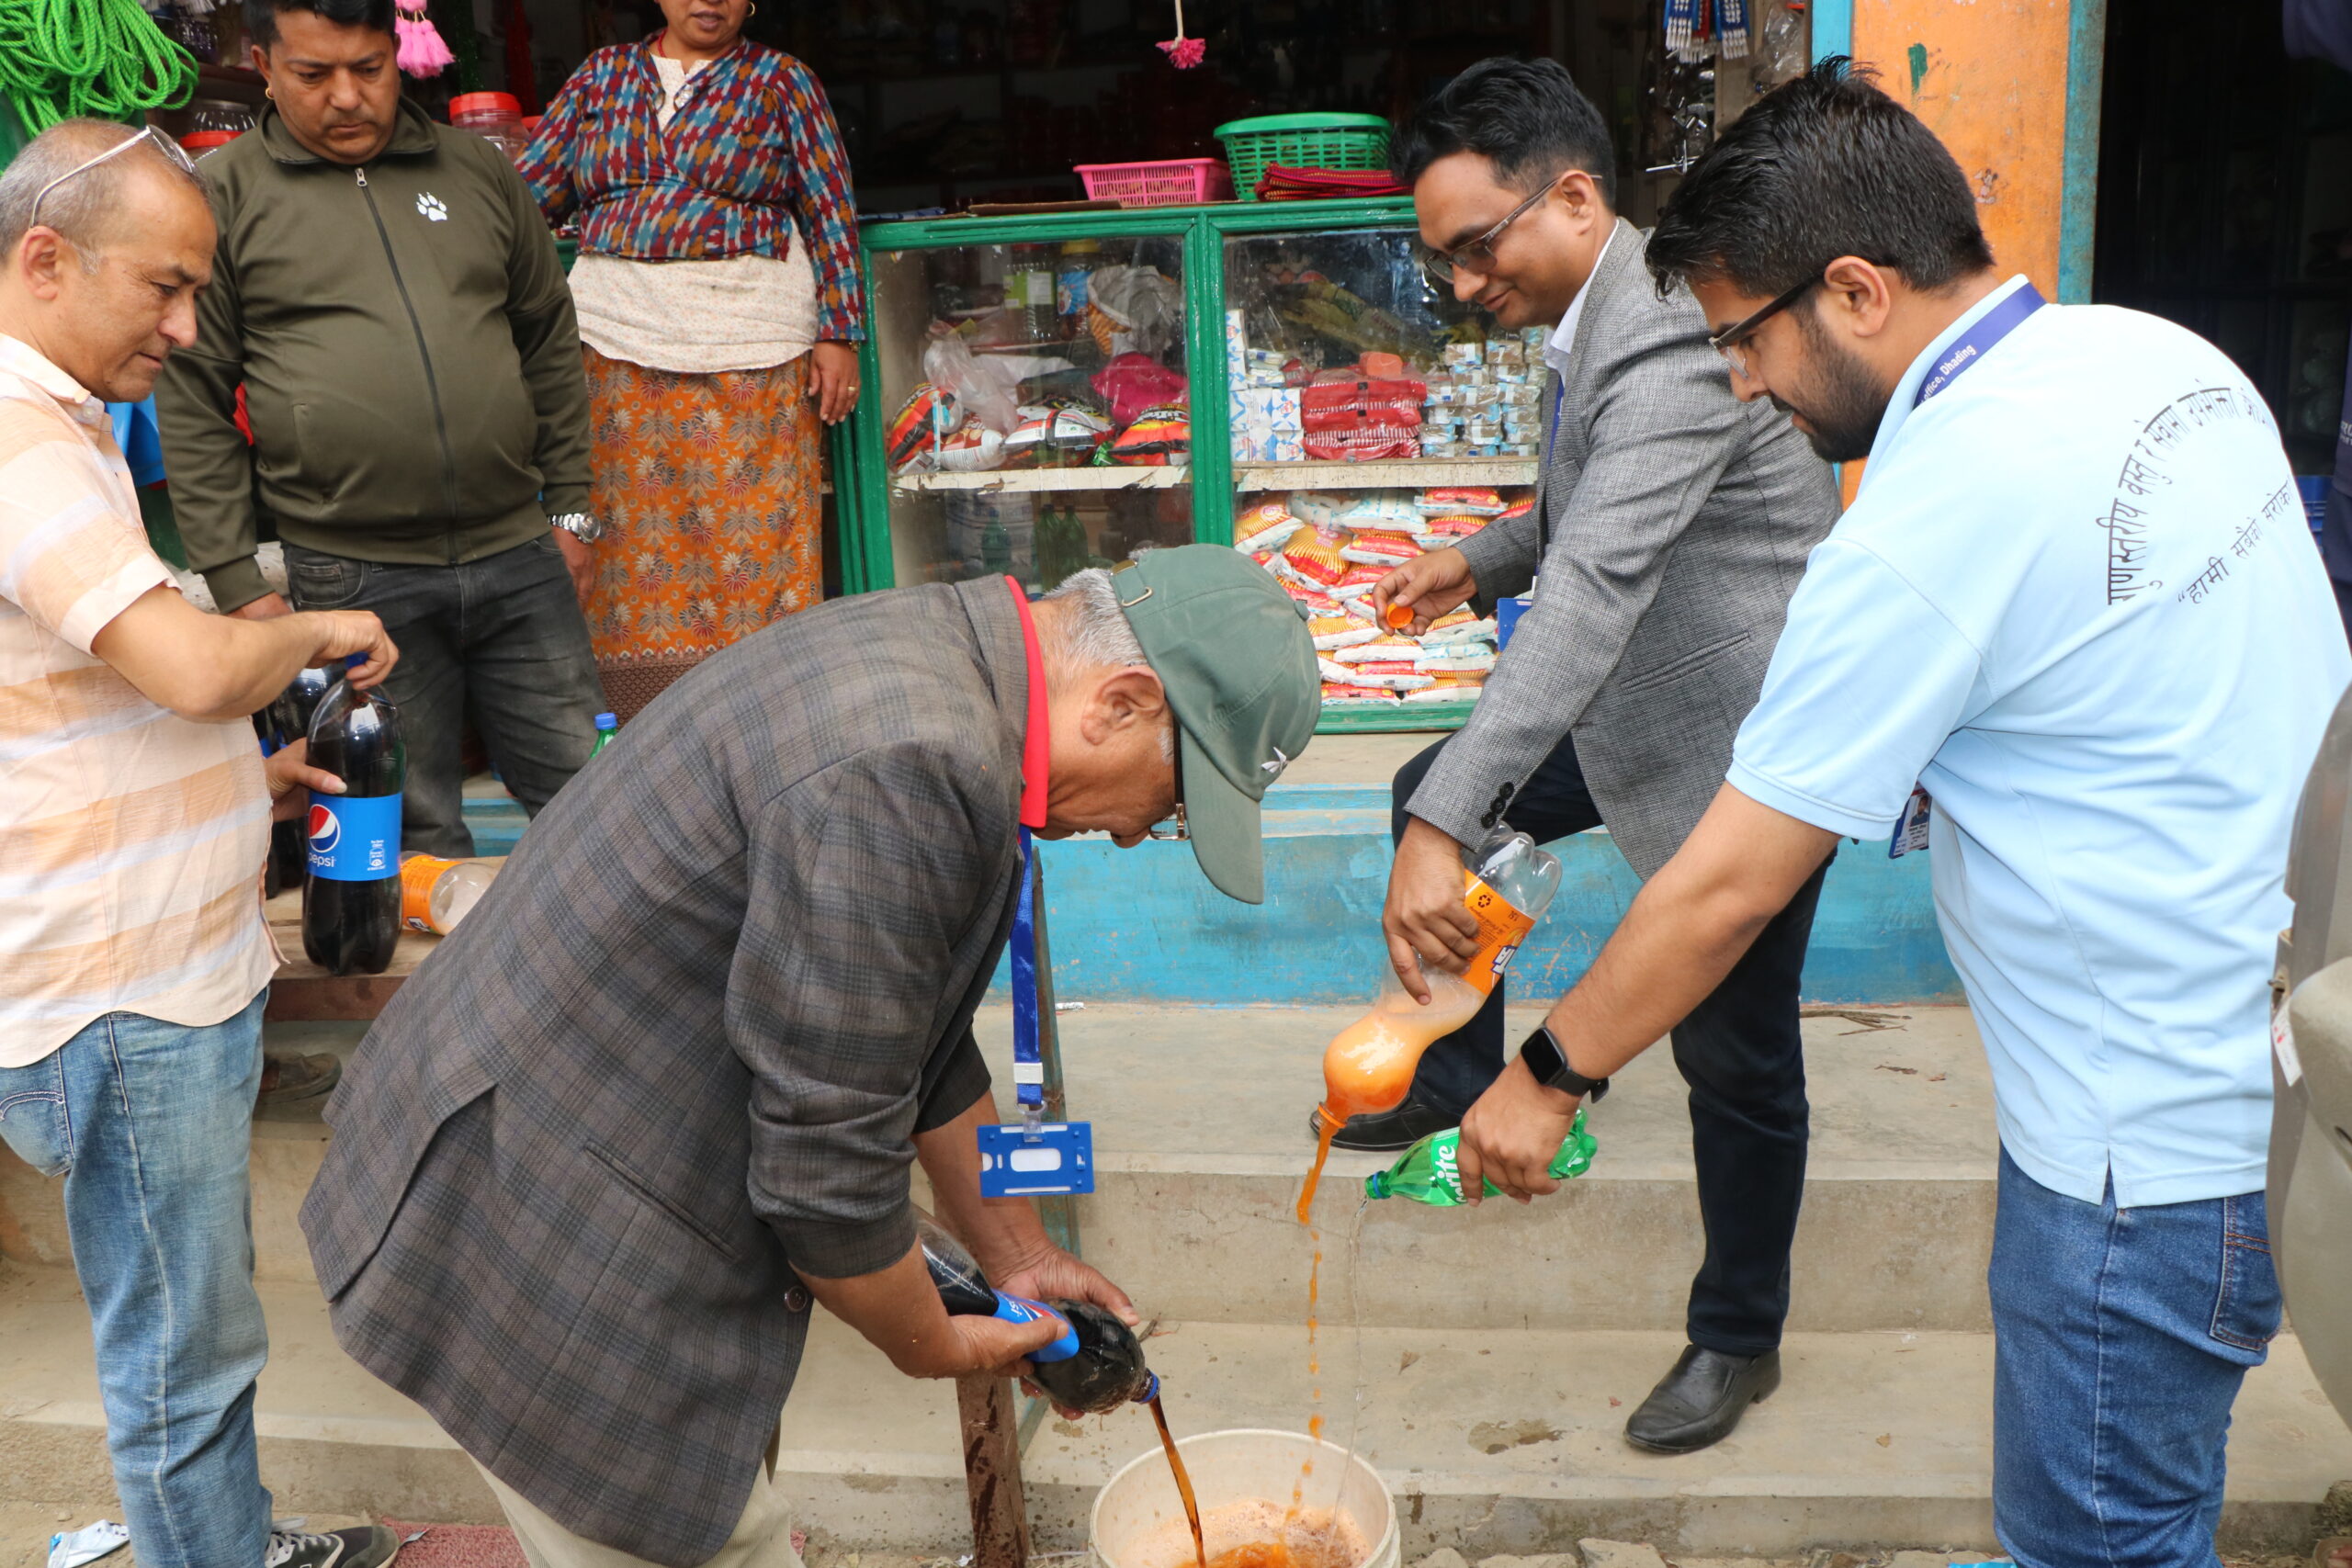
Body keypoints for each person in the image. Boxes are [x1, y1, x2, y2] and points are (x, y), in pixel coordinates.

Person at [1451, 61, 2351, 1568]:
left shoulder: (1940, 507)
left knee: (2100, 1546)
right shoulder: (2155, 361)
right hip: (2266, 1078)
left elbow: (1729, 880)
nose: (1737, 382)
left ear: (1856, 289)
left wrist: (1547, 1072)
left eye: (1741, 337)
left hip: (2137, 1159)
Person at [300, 547, 1317, 1566]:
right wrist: (931, 1342)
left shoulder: (944, 651)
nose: (1149, 835)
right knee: (710, 1541)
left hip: (542, 1146)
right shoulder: (915, 759)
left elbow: (894, 1025)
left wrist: (1017, 1254)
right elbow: (825, 1175)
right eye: (1178, 799)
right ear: (1122, 702)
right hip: (545, 1218)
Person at [1359, 57, 1841, 1452]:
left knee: (1735, 1051)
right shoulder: (1598, 315)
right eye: (1440, 257)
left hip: (1740, 733)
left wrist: (1450, 819)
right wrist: (1472, 554)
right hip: (1637, 693)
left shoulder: (1679, 334)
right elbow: (1578, 523)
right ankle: (1462, 1078)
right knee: (1424, 792)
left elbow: (1592, 592)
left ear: (1573, 197)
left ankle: (1736, 1334)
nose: (1459, 285)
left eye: (1474, 247)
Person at [0, 119, 401, 1568]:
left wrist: (256, 773)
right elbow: (181, 666)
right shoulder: (18, 437)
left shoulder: (60, 427)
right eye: (162, 290)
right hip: (118, 988)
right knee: (185, 1348)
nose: (184, 328)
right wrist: (309, 628)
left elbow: (96, 693)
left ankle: (220, 1537)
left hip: (146, 962)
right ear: (47, 259)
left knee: (188, 1327)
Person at [154, 0, 603, 858]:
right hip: (352, 574)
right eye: (314, 75)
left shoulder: (476, 170)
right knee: (404, 821)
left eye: (369, 70)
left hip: (518, 552)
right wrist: (238, 579)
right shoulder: (223, 196)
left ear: (399, 56)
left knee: (591, 794)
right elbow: (194, 390)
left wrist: (572, 507)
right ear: (263, 63)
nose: (347, 99)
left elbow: (548, 334)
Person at [518, 0, 864, 720]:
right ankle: (638, 730)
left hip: (752, 348)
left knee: (752, 553)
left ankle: (767, 721)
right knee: (618, 553)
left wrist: (840, 332)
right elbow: (523, 202)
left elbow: (830, 206)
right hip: (613, 347)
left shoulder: (783, 81)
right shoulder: (602, 76)